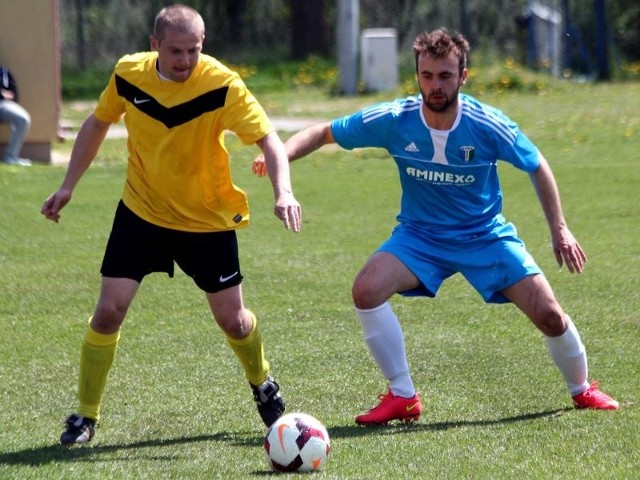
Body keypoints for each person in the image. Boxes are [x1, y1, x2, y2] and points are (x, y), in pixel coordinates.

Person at [253, 28, 618, 425]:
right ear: (417, 76)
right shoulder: (396, 119)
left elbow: (536, 164)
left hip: (484, 236)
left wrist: (560, 230)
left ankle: (582, 389)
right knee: (366, 289)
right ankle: (403, 396)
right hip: (420, 237)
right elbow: (324, 132)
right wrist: (281, 156)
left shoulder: (486, 124)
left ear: (463, 76)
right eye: (427, 76)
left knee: (549, 315)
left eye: (445, 76)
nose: (435, 85)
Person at [41, 4, 302, 445]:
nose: (185, 60)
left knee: (234, 322)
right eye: (176, 50)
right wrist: (69, 185)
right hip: (142, 212)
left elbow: (269, 140)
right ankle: (84, 416)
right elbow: (98, 121)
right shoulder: (128, 74)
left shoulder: (222, 83)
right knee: (108, 311)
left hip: (207, 220)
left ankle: (263, 383)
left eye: (194, 50)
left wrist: (284, 191)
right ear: (154, 45)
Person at [0, 65, 32, 166]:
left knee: (22, 119)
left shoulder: (3, 71)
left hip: (3, 104)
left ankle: (10, 156)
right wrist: (1, 94)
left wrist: (6, 96)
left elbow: (13, 93)